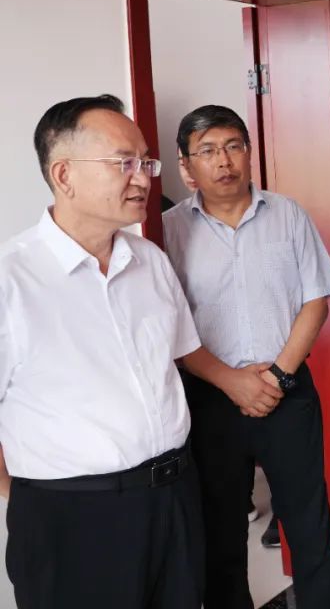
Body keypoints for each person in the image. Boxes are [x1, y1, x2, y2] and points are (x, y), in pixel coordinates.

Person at [0, 94, 212, 608]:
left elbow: (178, 359)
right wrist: (31, 492)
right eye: (124, 163)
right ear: (64, 174)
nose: (143, 178)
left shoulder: (150, 261)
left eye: (146, 162)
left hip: (174, 498)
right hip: (73, 518)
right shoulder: (11, 278)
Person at [164, 105, 330, 608]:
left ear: (249, 152)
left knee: (309, 525)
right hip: (210, 400)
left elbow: (315, 300)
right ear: (186, 165)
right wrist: (231, 381)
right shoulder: (167, 231)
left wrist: (278, 377)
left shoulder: (288, 214)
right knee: (220, 533)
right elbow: (171, 327)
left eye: (233, 146)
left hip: (288, 392)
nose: (223, 161)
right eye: (207, 151)